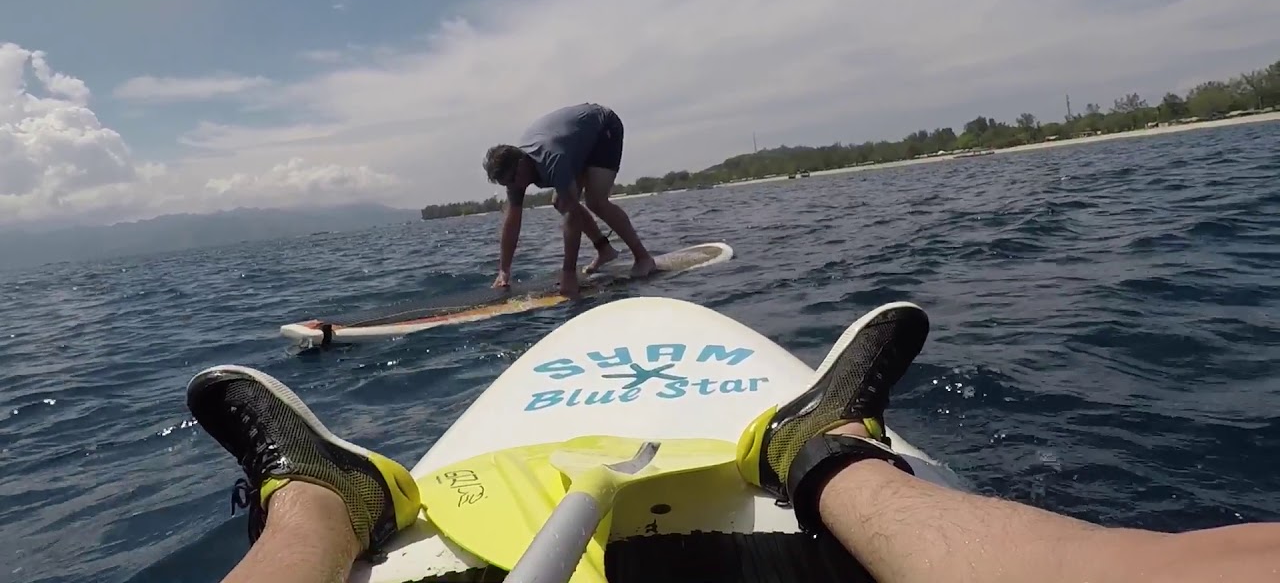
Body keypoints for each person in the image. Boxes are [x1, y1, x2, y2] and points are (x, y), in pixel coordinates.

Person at [188, 303, 1280, 583]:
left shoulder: (570, 148)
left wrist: (591, 265)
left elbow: (577, 200)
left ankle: (323, 504)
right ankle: (825, 456)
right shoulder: (534, 165)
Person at [481, 102, 657, 297]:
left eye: (513, 179)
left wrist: (569, 274)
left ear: (522, 164)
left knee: (595, 201)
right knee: (559, 201)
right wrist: (504, 270)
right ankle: (605, 250)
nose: (512, 186)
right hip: (575, 140)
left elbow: (572, 215)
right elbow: (512, 221)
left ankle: (644, 258)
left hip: (603, 127)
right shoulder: (515, 177)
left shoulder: (552, 159)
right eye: (506, 183)